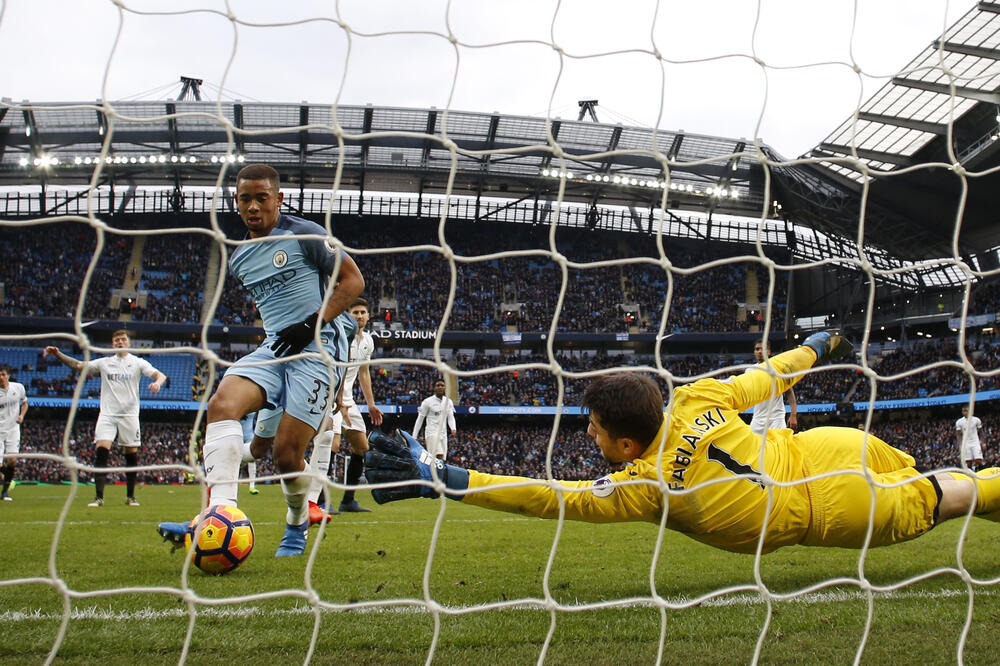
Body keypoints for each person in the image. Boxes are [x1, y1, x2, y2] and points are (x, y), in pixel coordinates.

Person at [365, 333, 1000, 555]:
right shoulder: (696, 397)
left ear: (625, 442)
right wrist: (820, 347)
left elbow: (547, 497)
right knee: (946, 479)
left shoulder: (645, 486)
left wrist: (450, 480)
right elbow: (769, 377)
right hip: (831, 448)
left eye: (592, 429)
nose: (585, 434)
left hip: (830, 507)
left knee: (947, 496)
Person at [156, 163, 364, 557]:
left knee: (286, 454)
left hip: (318, 353)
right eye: (244, 199)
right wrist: (285, 330)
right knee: (222, 406)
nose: (253, 207)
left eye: (261, 198)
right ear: (236, 202)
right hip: (275, 350)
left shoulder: (307, 234)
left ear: (278, 199)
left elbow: (354, 281)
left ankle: (297, 522)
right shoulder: (240, 259)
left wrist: (310, 324)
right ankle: (218, 515)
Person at [45, 331, 166, 506]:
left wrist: (157, 384)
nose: (120, 342)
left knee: (131, 455)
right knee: (102, 451)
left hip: (129, 415)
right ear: (112, 344)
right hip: (107, 415)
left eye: (123, 339)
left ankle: (131, 496)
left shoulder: (138, 363)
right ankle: (99, 497)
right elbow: (78, 365)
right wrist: (58, 354)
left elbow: (160, 375)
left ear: (129, 342)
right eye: (116, 340)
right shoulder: (104, 363)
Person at [307, 296, 384, 517]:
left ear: (368, 316)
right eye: (355, 312)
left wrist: (371, 404)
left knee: (361, 447)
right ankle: (321, 501)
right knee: (332, 443)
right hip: (331, 395)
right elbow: (335, 369)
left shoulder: (368, 341)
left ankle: (348, 500)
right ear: (347, 315)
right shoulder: (339, 335)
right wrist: (337, 398)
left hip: (348, 398)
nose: (359, 316)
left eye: (362, 312)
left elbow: (364, 372)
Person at [748, 341, 797, 434]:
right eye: (757, 349)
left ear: (769, 352)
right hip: (758, 418)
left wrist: (793, 414)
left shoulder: (778, 367)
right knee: (754, 447)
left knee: (780, 446)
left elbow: (789, 392)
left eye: (762, 349)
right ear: (754, 352)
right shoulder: (750, 370)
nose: (759, 351)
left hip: (776, 418)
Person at [0, 366, 29, 501]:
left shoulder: (18, 388)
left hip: (13, 429)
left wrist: (21, 416)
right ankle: (9, 480)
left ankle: (5, 492)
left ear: (8, 376)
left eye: (3, 374)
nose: (1, 377)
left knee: (12, 461)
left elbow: (25, 403)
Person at [412, 379, 456, 461]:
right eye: (438, 385)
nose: (440, 387)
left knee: (442, 460)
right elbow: (420, 419)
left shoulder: (448, 402)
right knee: (439, 455)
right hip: (431, 433)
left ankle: (433, 473)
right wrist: (414, 436)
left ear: (445, 388)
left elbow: (450, 417)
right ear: (434, 388)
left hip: (443, 434)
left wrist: (453, 428)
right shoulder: (427, 402)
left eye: (442, 385)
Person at [956, 405, 985, 470]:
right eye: (963, 411)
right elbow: (958, 435)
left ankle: (981, 470)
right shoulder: (959, 422)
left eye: (966, 411)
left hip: (975, 442)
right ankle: (971, 472)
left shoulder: (976, 420)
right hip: (966, 443)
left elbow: (981, 432)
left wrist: (983, 442)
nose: (964, 412)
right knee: (968, 462)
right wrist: (960, 444)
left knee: (978, 459)